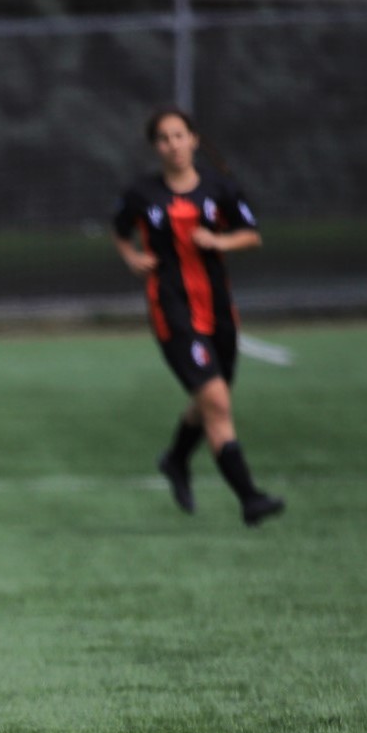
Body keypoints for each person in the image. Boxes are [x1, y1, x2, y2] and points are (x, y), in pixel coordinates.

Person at [111, 106, 285, 526]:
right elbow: (119, 229)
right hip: (173, 313)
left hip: (219, 312)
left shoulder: (219, 188)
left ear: (193, 139)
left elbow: (252, 234)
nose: (173, 145)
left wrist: (220, 241)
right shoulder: (143, 193)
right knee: (217, 403)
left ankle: (175, 459)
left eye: (179, 135)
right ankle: (250, 499)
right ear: (156, 147)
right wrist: (132, 256)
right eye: (164, 138)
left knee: (208, 401)